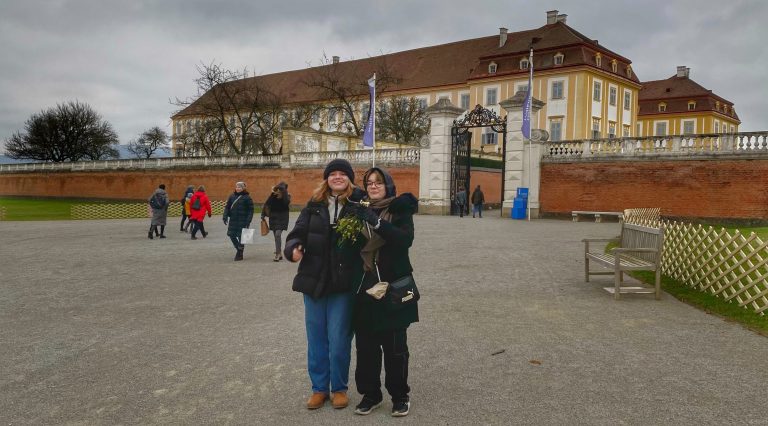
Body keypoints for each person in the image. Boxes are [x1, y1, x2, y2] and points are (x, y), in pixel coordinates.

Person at [284, 158, 365, 411]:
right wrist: (293, 248)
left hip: (343, 283)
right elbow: (296, 233)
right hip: (314, 281)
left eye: (343, 174)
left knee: (339, 338)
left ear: (350, 178)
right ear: (326, 178)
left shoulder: (359, 203)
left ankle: (339, 388)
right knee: (316, 338)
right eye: (333, 174)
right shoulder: (314, 205)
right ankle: (319, 388)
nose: (338, 177)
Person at [351, 167, 419, 417]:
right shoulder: (358, 210)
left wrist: (376, 222)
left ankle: (400, 395)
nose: (373, 186)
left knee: (395, 348)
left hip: (393, 286)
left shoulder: (400, 210)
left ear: (388, 186)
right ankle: (371, 394)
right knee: (366, 347)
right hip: (365, 286)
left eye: (378, 182)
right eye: (369, 183)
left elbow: (404, 241)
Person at [223, 181, 254, 261]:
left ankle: (239, 254)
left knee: (242, 237)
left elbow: (251, 210)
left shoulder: (247, 197)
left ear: (243, 188)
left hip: (243, 220)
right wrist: (225, 216)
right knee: (231, 235)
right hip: (233, 220)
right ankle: (239, 250)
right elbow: (227, 207)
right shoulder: (232, 196)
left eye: (239, 187)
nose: (238, 188)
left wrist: (248, 220)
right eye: (237, 187)